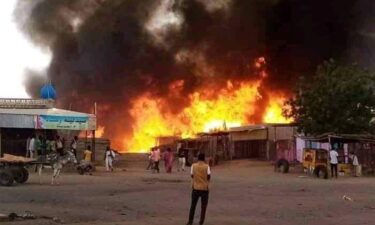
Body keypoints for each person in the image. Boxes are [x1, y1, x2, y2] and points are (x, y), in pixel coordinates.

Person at [187, 153, 211, 225]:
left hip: (195, 188)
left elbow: (192, 175)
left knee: (193, 206)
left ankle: (190, 221)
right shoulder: (207, 166)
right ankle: (201, 222)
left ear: (198, 158)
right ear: (204, 159)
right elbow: (209, 176)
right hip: (204, 189)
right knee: (203, 207)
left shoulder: (193, 166)